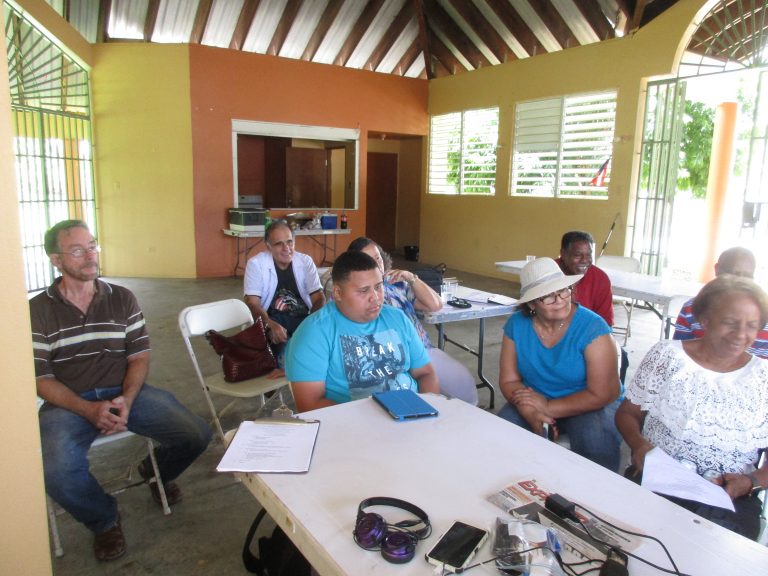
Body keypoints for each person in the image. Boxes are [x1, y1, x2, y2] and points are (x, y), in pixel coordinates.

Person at [30, 220, 212, 561]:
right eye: (78, 250)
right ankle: (104, 519)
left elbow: (139, 356)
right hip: (69, 403)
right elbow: (41, 379)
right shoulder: (38, 311)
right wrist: (88, 411)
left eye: (92, 245)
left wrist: (126, 400)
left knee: (196, 433)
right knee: (56, 470)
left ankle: (156, 472)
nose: (90, 256)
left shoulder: (122, 298)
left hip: (126, 391)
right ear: (56, 260)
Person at [616, 275, 768, 540]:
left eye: (752, 326)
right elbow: (628, 413)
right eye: (731, 323)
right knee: (635, 545)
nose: (741, 335)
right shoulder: (667, 356)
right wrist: (639, 445)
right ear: (705, 320)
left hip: (728, 496)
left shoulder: (763, 377)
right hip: (658, 479)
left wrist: (751, 482)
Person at [498, 257, 622, 471]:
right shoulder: (517, 325)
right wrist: (530, 412)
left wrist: (547, 408)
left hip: (589, 402)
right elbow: (509, 380)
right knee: (501, 431)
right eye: (548, 296)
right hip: (535, 397)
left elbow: (603, 394)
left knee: (596, 441)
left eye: (564, 290)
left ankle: (598, 498)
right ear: (531, 303)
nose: (560, 299)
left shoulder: (592, 327)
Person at [285, 250, 439, 413]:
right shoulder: (313, 333)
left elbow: (426, 373)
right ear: (338, 293)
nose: (376, 297)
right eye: (363, 291)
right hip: (353, 427)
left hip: (411, 414)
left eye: (378, 287)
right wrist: (381, 419)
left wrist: (425, 412)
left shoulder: (397, 318)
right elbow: (310, 405)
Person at [346, 237, 478, 404]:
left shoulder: (397, 284)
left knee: (463, 383)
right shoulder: (355, 292)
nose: (376, 263)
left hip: (421, 348)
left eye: (378, 257)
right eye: (369, 259)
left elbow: (434, 304)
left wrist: (411, 278)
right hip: (385, 357)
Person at [244, 220, 325, 362]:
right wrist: (269, 324)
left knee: (326, 349)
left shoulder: (305, 262)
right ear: (268, 246)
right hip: (274, 323)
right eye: (279, 243)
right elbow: (252, 303)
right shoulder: (256, 264)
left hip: (303, 321)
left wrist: (311, 325)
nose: (286, 248)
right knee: (286, 358)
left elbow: (319, 298)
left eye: (289, 242)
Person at [557, 230, 629, 383]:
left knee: (622, 357)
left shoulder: (600, 278)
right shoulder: (550, 273)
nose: (585, 260)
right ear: (563, 254)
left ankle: (610, 401)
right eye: (578, 255)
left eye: (589, 254)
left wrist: (588, 344)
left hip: (588, 337)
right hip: (551, 335)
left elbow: (605, 323)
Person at [674, 247, 768, 358]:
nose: (739, 281)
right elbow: (679, 353)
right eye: (733, 273)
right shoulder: (691, 309)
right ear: (717, 269)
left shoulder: (762, 311)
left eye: (747, 277)